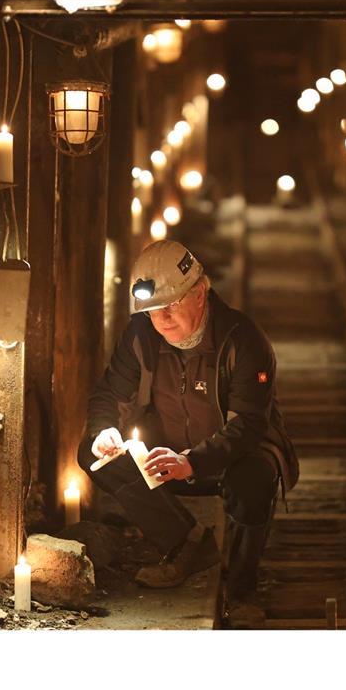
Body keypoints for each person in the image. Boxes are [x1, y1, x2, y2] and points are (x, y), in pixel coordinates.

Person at [78, 240, 299, 626]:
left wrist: (192, 461)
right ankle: (186, 544)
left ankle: (242, 590)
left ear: (200, 293)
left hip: (230, 457)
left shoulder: (243, 340)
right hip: (166, 454)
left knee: (255, 479)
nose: (161, 319)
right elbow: (109, 394)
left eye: (171, 305)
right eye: (152, 310)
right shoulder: (140, 336)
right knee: (92, 455)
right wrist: (104, 431)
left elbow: (249, 424)